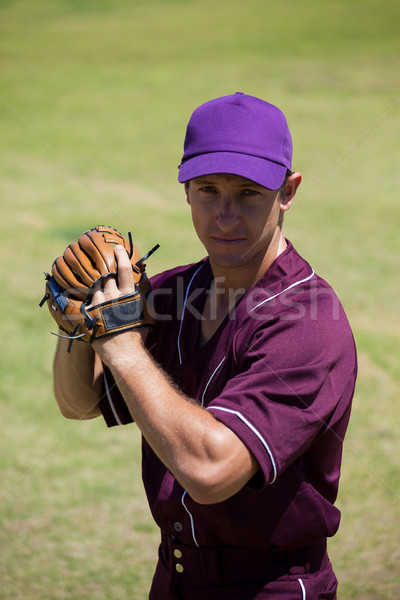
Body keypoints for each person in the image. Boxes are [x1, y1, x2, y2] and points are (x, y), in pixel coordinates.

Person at [53, 92, 357, 599]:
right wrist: (77, 330)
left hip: (270, 586)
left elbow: (210, 472)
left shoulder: (310, 325)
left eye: (248, 194)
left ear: (288, 191)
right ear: (185, 189)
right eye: (208, 190)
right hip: (173, 579)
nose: (225, 215)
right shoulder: (175, 293)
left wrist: (121, 344)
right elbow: (79, 402)